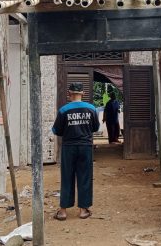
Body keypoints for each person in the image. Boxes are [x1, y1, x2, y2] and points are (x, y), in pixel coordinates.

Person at [51, 82, 100, 221]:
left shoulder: (63, 110)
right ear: (83, 94)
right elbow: (95, 128)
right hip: (85, 147)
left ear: (69, 93)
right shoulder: (91, 109)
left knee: (67, 177)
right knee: (85, 176)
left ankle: (63, 211)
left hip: (68, 148)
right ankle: (83, 210)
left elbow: (57, 131)